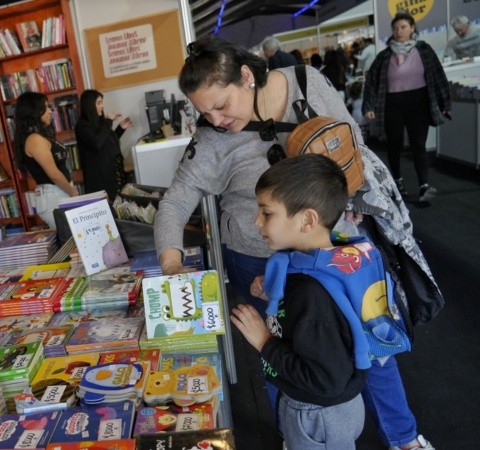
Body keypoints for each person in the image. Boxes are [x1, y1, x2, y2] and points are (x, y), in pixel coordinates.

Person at [154, 36, 440, 450]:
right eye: (203, 111)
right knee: (279, 361)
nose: (214, 119)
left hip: (332, 250)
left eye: (221, 105)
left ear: (247, 77)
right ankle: (296, 436)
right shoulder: (211, 139)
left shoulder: (307, 83)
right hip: (257, 260)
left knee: (371, 342)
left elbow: (351, 144)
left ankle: (404, 437)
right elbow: (176, 200)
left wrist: (349, 198)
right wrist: (170, 263)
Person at [231, 154, 367, 450]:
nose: (257, 222)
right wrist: (274, 296)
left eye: (267, 213)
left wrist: (264, 341)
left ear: (307, 220)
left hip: (318, 416)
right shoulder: (327, 260)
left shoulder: (311, 293)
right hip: (328, 409)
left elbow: (324, 380)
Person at [363, 11, 451, 203]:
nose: (399, 31)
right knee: (393, 145)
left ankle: (423, 186)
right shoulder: (384, 56)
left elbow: (438, 76)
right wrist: (368, 105)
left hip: (418, 103)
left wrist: (445, 103)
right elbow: (371, 81)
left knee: (418, 144)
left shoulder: (424, 50)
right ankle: (397, 182)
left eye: (403, 27)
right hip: (392, 105)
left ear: (412, 28)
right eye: (395, 28)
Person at [13, 92, 78, 228]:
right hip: (54, 196)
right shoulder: (34, 139)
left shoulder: (38, 136)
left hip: (57, 194)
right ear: (35, 111)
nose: (50, 111)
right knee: (71, 242)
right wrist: (73, 192)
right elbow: (53, 174)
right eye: (46, 107)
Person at [75, 90, 132, 200]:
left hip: (114, 174)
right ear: (90, 105)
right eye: (99, 103)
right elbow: (97, 143)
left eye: (102, 102)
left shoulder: (100, 123)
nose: (103, 106)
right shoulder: (82, 126)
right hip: (100, 180)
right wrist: (109, 121)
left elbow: (106, 143)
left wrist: (120, 129)